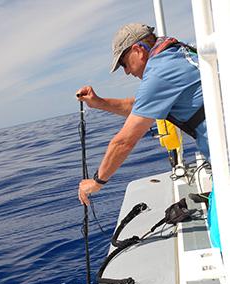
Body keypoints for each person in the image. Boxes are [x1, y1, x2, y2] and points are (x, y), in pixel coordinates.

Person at [76, 22, 210, 207]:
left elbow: (123, 142)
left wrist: (96, 183)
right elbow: (141, 107)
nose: (127, 72)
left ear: (138, 50)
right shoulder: (175, 54)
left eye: (124, 63)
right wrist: (99, 102)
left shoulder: (158, 74)